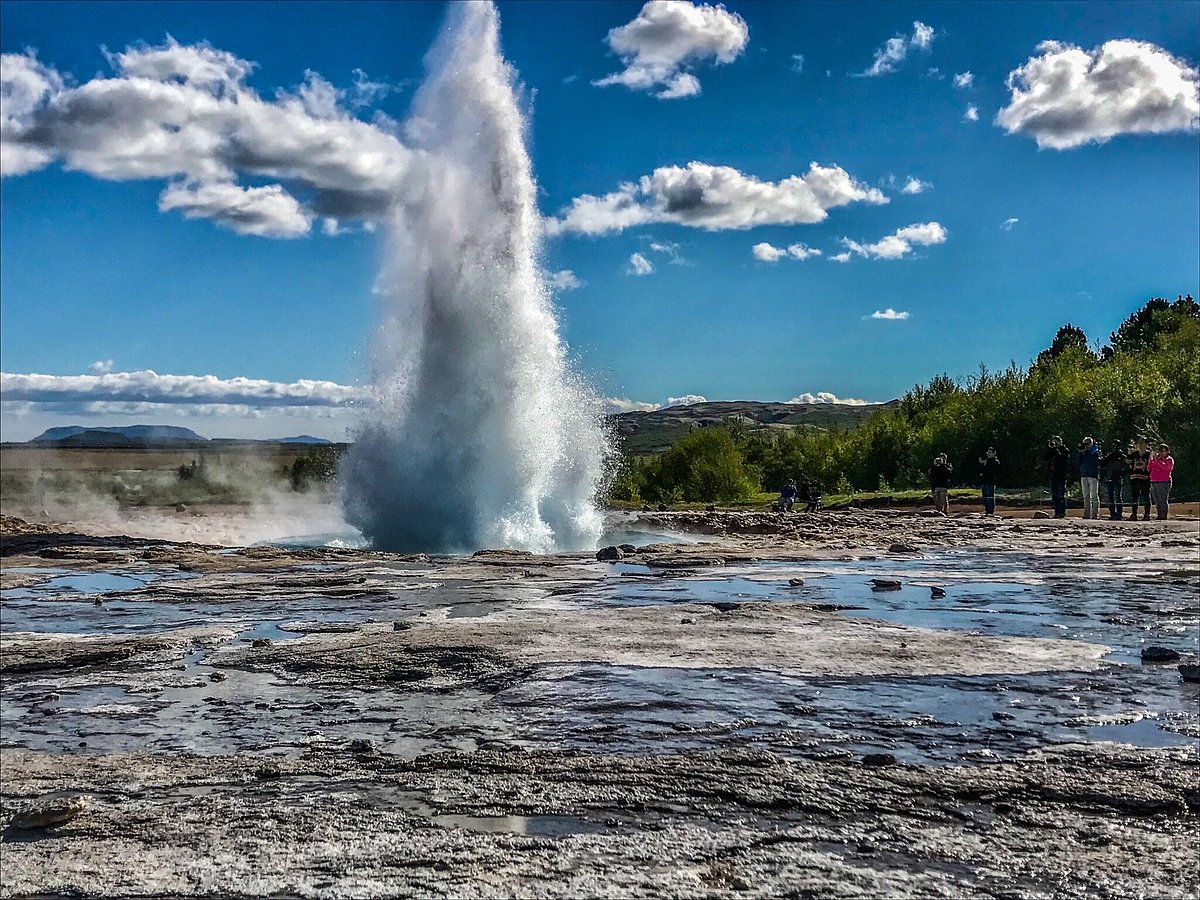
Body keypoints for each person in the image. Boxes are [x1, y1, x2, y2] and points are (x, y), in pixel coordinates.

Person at [1100, 444, 1129, 520]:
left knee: (1118, 497)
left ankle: (1119, 514)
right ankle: (1112, 514)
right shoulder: (1109, 457)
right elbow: (1102, 464)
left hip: (1118, 479)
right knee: (1110, 497)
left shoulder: (1122, 457)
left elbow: (1127, 468)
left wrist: (1121, 475)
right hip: (1110, 479)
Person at [1044, 435, 1071, 519]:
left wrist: (1056, 450)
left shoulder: (1065, 450)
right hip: (1053, 474)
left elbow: (1062, 458)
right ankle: (1056, 512)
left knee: (1061, 494)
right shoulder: (1052, 451)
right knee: (1054, 494)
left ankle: (1062, 512)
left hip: (1061, 475)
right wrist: (1049, 449)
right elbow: (1045, 457)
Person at [1149, 443, 1175, 520]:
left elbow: (1167, 468)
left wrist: (1158, 461)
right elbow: (1149, 468)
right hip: (1154, 481)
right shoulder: (1156, 459)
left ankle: (1164, 516)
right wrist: (1152, 460)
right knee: (1157, 500)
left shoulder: (1169, 459)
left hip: (1164, 481)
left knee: (1163, 499)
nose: (1161, 453)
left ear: (1167, 451)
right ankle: (1159, 515)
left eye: (1163, 451)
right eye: (1160, 451)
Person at [1128, 439, 1152, 521]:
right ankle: (1134, 514)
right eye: (1139, 443)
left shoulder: (1149, 455)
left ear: (1146, 445)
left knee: (1146, 496)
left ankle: (1147, 514)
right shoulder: (1134, 454)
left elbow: (1152, 466)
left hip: (1145, 478)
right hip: (1135, 478)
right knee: (1134, 497)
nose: (1141, 445)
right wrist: (1128, 453)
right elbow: (1128, 462)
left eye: (1143, 444)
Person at [1078, 436, 1101, 520]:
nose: (1086, 446)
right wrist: (1081, 453)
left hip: (1093, 475)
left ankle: (1095, 514)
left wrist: (1087, 453)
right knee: (1085, 495)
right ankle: (1086, 514)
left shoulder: (1095, 451)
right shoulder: (1084, 452)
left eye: (1087, 444)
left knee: (1094, 495)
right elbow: (1079, 462)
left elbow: (1095, 462)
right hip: (1084, 474)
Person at [978, 447, 1000, 516]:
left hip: (991, 482)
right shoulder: (987, 461)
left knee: (990, 496)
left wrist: (985, 464)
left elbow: (992, 471)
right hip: (984, 481)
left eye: (990, 452)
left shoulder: (995, 462)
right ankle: (987, 510)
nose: (988, 454)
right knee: (985, 496)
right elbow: (982, 471)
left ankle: (991, 511)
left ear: (994, 453)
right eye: (988, 452)